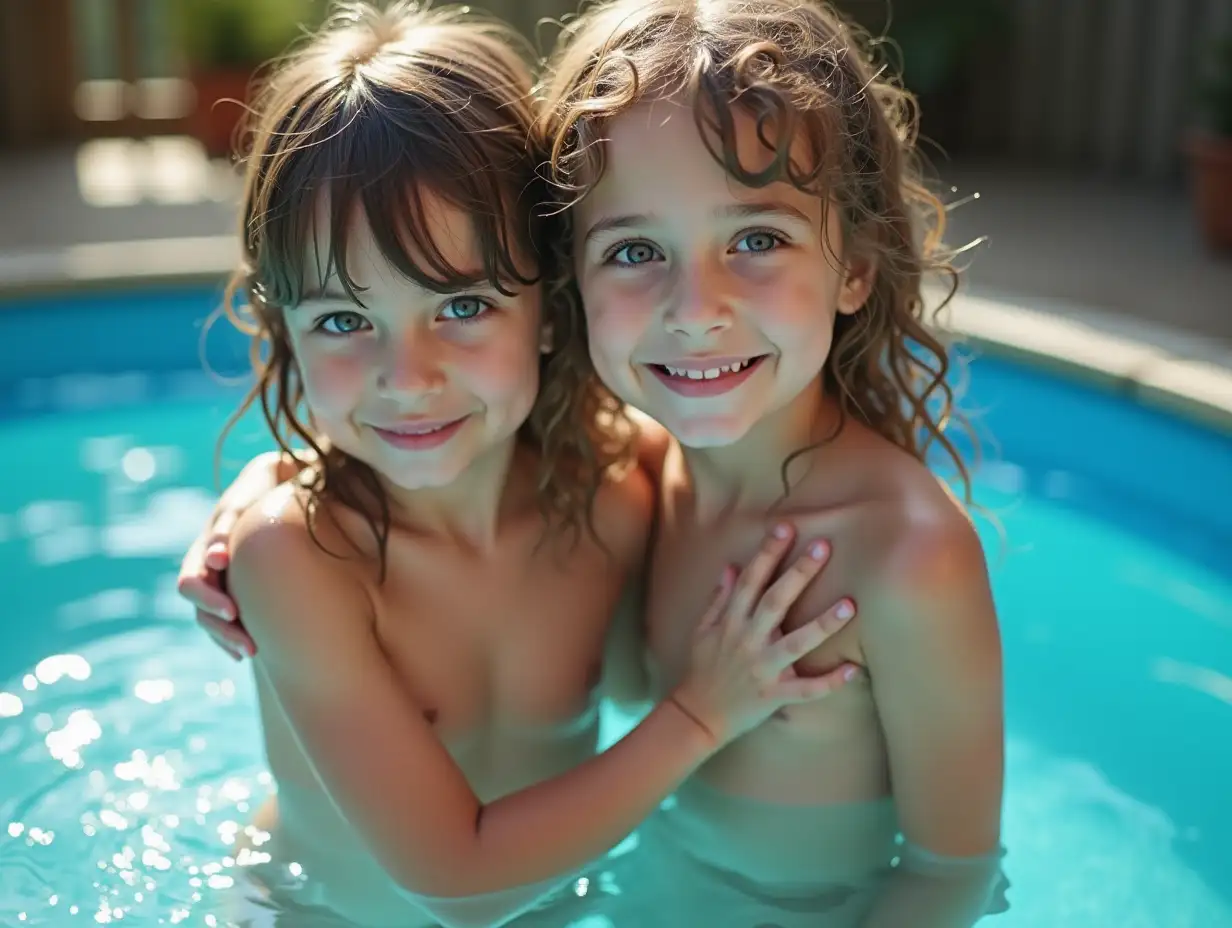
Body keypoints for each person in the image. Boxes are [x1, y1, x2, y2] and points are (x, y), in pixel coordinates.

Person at [182, 3, 861, 927]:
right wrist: (703, 715)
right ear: (284, 335)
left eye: (462, 307)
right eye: (342, 322)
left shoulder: (616, 493)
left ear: (551, 306)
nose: (407, 378)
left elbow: (748, 438)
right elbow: (453, 883)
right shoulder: (302, 561)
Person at [534, 1, 1007, 924]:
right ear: (570, 287)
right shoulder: (633, 478)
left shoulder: (901, 557)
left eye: (756, 240)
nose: (695, 308)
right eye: (635, 250)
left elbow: (950, 876)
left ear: (855, 265)